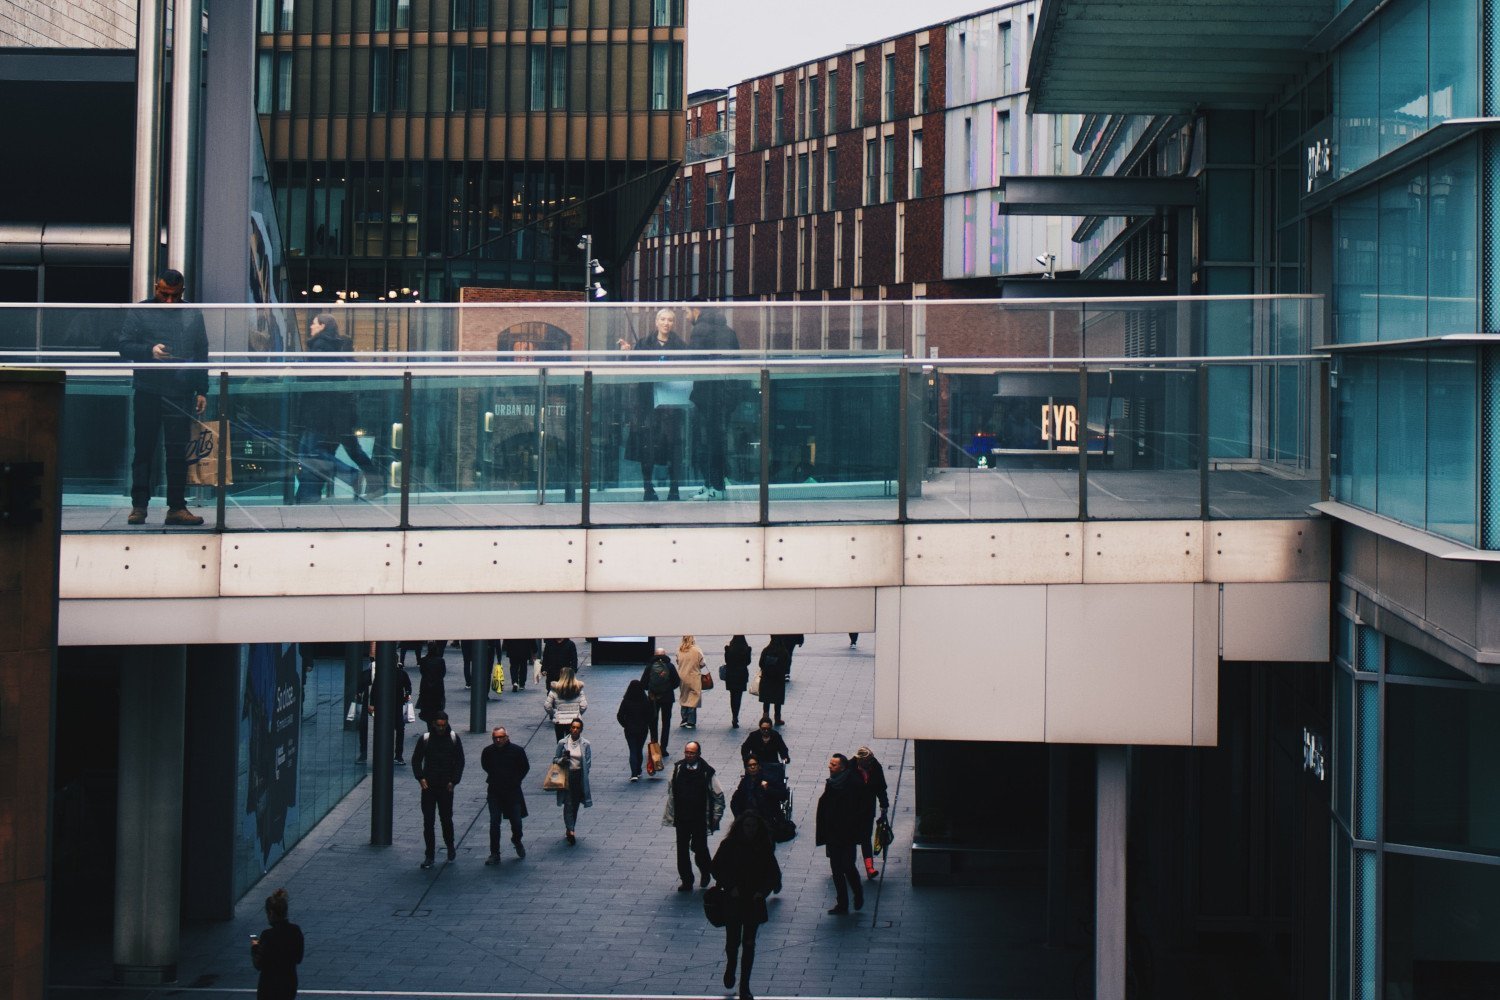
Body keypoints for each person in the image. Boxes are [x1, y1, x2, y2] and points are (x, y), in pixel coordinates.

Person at [116, 267, 209, 526]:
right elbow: (123, 347)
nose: (169, 300)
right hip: (150, 389)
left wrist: (202, 389)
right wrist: (150, 351)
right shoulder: (142, 310)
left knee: (175, 452)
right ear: (156, 288)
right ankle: (142, 506)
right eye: (164, 294)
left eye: (174, 295)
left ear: (182, 292)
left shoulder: (190, 313)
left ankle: (174, 507)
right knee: (145, 449)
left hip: (177, 390)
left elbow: (202, 353)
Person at [293, 313, 367, 503]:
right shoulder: (331, 347)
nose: (311, 326)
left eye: (314, 323)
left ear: (323, 326)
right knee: (307, 454)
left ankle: (350, 476)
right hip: (326, 412)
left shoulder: (320, 347)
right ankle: (307, 495)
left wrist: (298, 374)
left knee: (311, 454)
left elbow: (317, 379)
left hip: (318, 412)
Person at [618, 307, 690, 500]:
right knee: (647, 446)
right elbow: (633, 369)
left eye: (670, 320)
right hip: (648, 403)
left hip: (672, 404)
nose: (666, 323)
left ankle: (674, 490)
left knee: (673, 446)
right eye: (663, 319)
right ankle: (648, 488)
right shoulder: (643, 344)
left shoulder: (680, 346)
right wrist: (627, 354)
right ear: (657, 322)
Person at [711, 813, 781, 1000]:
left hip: (752, 901)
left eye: (753, 826)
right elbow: (716, 867)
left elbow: (773, 873)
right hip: (734, 900)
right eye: (748, 826)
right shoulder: (729, 846)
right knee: (733, 941)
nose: (751, 830)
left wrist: (762, 892)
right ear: (741, 827)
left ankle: (745, 986)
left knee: (749, 944)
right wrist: (730, 885)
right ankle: (731, 965)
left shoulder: (764, 847)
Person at [686, 300, 741, 501]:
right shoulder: (728, 329)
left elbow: (694, 361)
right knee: (717, 441)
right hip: (726, 394)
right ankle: (714, 484)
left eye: (687, 311)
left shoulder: (700, 330)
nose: (686, 316)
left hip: (709, 395)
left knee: (707, 442)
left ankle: (714, 486)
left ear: (696, 310)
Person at [662, 740, 725, 891]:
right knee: (682, 850)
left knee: (700, 847)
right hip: (682, 817)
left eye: (692, 753)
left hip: (699, 818)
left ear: (698, 754)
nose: (688, 755)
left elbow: (718, 795)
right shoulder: (678, 768)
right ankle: (686, 880)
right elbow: (671, 790)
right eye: (687, 752)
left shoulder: (706, 771)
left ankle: (705, 871)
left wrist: (716, 815)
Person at [411, 711, 464, 869]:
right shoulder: (426, 739)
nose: (441, 728)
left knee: (446, 819)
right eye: (438, 725)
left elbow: (460, 761)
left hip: (446, 786)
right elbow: (416, 760)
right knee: (428, 821)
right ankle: (429, 854)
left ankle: (450, 845)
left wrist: (453, 781)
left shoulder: (453, 738)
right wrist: (421, 778)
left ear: (446, 723)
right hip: (429, 786)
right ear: (434, 724)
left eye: (443, 725)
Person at [815, 753, 864, 914]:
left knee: (848, 866)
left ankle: (858, 893)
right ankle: (842, 903)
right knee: (836, 869)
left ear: (842, 767)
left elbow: (859, 810)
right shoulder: (833, 782)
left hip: (848, 834)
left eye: (833, 764)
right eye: (830, 763)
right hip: (833, 835)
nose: (830, 766)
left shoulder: (852, 784)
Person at [479, 726, 529, 864]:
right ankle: (494, 853)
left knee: (516, 822)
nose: (498, 740)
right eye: (495, 737)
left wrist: (515, 780)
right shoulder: (488, 751)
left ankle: (517, 839)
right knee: (494, 823)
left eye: (501, 737)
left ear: (507, 737)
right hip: (495, 791)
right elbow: (485, 766)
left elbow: (524, 767)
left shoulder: (517, 751)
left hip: (512, 792)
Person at [355, 654, 412, 764]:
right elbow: (408, 687)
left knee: (384, 729)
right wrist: (407, 694)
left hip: (385, 706)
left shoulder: (383, 674)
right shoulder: (401, 674)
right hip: (397, 705)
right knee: (399, 729)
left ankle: (383, 754)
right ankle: (398, 756)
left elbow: (375, 690)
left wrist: (372, 704)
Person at [249, 887, 303, 1000]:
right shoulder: (295, 930)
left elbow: (258, 964)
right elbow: (298, 958)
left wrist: (254, 946)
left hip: (270, 985)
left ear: (271, 913)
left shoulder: (267, 935)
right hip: (289, 982)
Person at [851, 746, 890, 879]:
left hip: (867, 809)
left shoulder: (875, 767)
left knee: (865, 838)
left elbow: (880, 788)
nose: (870, 763)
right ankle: (848, 866)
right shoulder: (850, 768)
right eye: (868, 761)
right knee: (850, 839)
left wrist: (884, 804)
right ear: (860, 760)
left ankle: (869, 868)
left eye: (871, 760)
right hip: (851, 810)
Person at [553, 717, 592, 844]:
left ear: (581, 730)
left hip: (579, 776)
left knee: (575, 803)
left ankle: (570, 826)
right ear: (570, 728)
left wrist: (585, 774)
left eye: (578, 728)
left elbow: (588, 762)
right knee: (568, 803)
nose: (575, 730)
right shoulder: (562, 743)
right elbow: (555, 759)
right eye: (573, 727)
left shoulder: (586, 744)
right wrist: (562, 760)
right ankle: (571, 830)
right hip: (567, 775)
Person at [641, 647, 680, 756]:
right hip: (667, 698)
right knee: (666, 723)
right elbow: (677, 682)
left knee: (653, 723)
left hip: (653, 698)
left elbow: (643, 684)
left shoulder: (649, 666)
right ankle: (664, 748)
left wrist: (652, 689)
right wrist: (668, 688)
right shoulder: (670, 666)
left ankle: (654, 747)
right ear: (665, 654)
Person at [730, 756, 788, 827]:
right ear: (746, 768)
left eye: (754, 764)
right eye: (750, 765)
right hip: (748, 816)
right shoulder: (744, 782)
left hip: (766, 817)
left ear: (759, 766)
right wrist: (738, 817)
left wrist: (767, 789)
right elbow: (734, 801)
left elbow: (783, 795)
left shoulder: (769, 779)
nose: (752, 767)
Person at [616, 678, 653, 781]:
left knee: (632, 749)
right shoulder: (645, 700)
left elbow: (619, 715)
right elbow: (651, 715)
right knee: (639, 749)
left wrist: (625, 724)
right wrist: (646, 723)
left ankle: (634, 774)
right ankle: (638, 770)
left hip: (630, 729)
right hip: (642, 729)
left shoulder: (626, 701)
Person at [543, 666, 587, 741]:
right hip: (574, 721)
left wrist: (554, 713)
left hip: (559, 720)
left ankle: (561, 752)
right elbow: (584, 706)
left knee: (560, 742)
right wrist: (577, 713)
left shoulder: (554, 690)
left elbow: (547, 706)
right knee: (572, 742)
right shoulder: (579, 690)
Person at [755, 638, 789, 727]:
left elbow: (760, 663)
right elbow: (787, 665)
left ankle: (765, 717)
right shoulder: (783, 651)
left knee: (766, 699)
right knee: (777, 699)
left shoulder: (766, 650)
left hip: (767, 678)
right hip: (778, 679)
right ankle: (777, 718)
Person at [722, 635, 752, 728]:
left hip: (731, 675)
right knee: (738, 697)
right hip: (741, 675)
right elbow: (748, 662)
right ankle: (736, 716)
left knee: (732, 696)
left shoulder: (729, 649)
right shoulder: (746, 649)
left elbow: (727, 661)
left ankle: (734, 715)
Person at [677, 634, 705, 729]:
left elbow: (678, 661)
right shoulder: (697, 650)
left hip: (682, 677)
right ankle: (691, 721)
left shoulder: (680, 650)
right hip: (694, 677)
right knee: (693, 698)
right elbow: (702, 663)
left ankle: (684, 719)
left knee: (684, 697)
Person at [415, 641, 447, 723]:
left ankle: (429, 723)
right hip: (438, 687)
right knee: (437, 707)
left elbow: (422, 672)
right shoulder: (441, 660)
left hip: (425, 686)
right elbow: (443, 673)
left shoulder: (423, 660)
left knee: (427, 708)